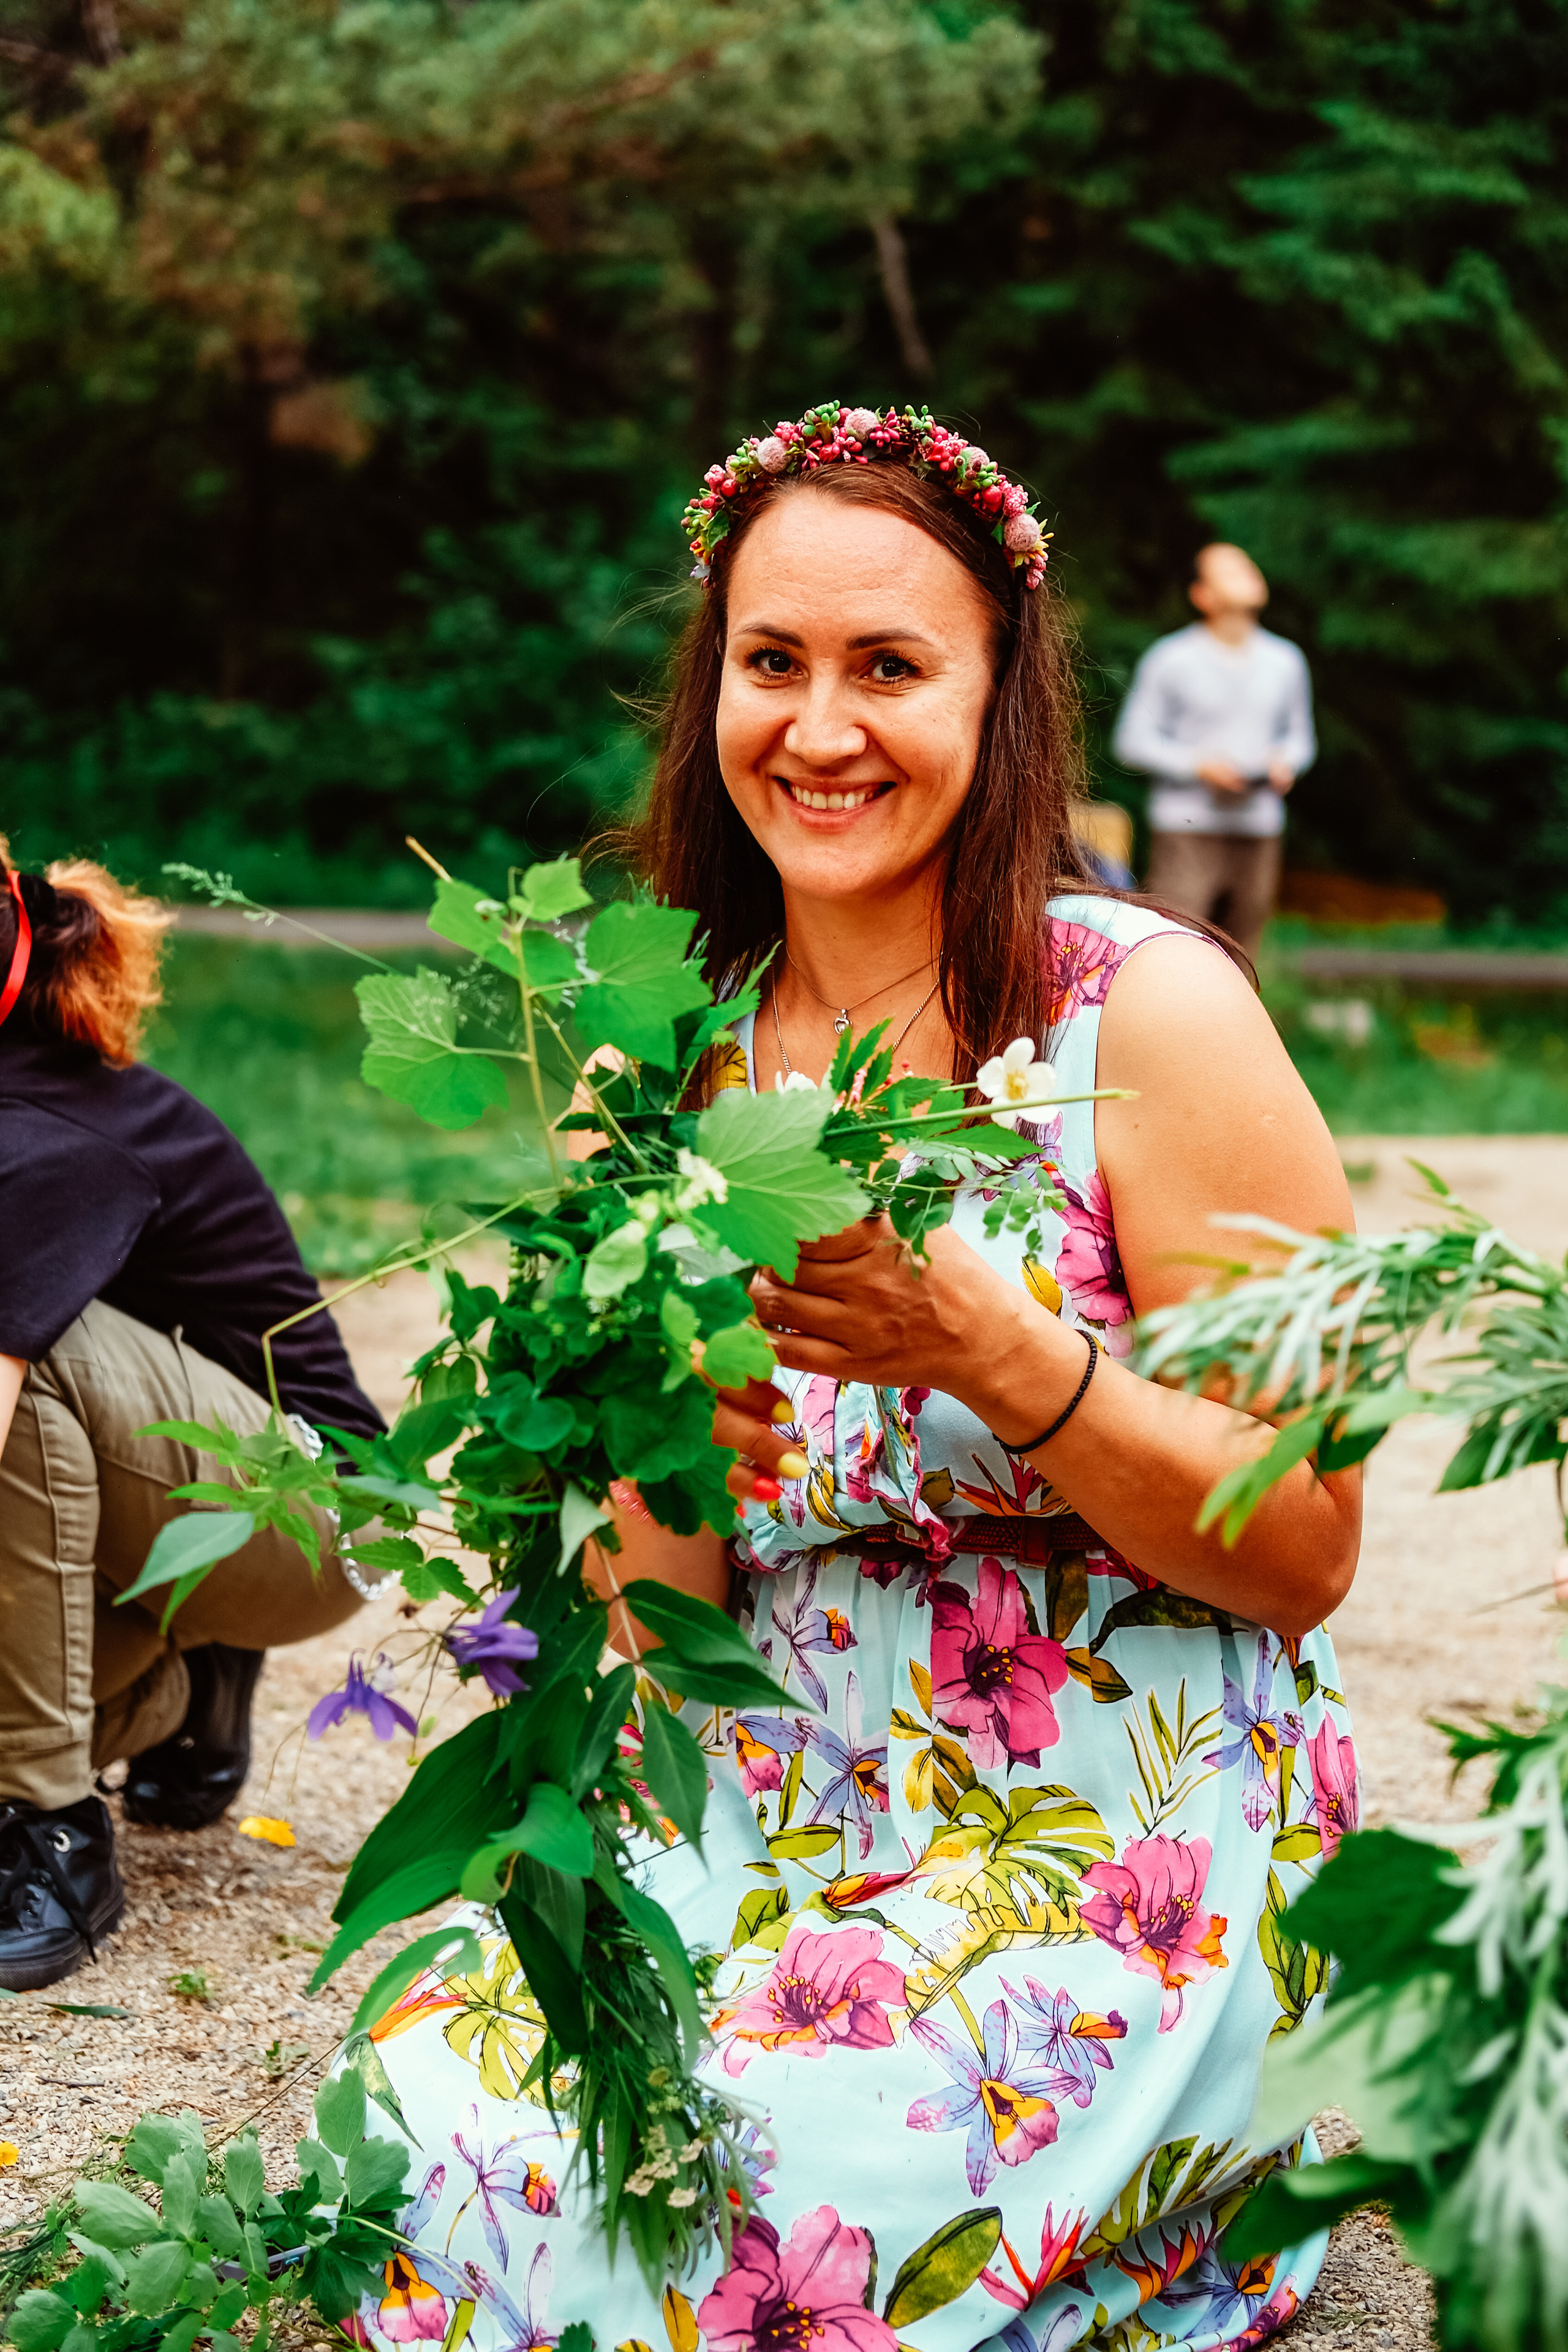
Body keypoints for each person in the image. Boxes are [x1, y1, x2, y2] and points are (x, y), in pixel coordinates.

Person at [352, 406, 1360, 2351]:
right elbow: (652, 1622)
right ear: (713, 690)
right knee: (438, 2108)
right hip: (772, 1789)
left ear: (1000, 695)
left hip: (1118, 1831)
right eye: (773, 662)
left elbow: (1307, 1544)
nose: (820, 729)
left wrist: (1006, 1354)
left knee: (743, 2216)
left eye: (890, 666)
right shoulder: (666, 1062)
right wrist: (665, 1443)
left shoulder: (1144, 1014)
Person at [0, 851, 383, 1992]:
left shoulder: (38, 1129)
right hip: (180, 1506)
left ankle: (48, 1830)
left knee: (30, 1354)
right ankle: (177, 1699)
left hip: (317, 1510)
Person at [1113, 542, 1315, 965]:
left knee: (1244, 960)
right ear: (1202, 595)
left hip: (1259, 828)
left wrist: (1286, 762)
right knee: (1174, 952)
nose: (1248, 573)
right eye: (1230, 570)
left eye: (1248, 565)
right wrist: (1197, 766)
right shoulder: (1170, 659)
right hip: (1186, 830)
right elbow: (1131, 741)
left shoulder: (1286, 661)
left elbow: (1301, 738)